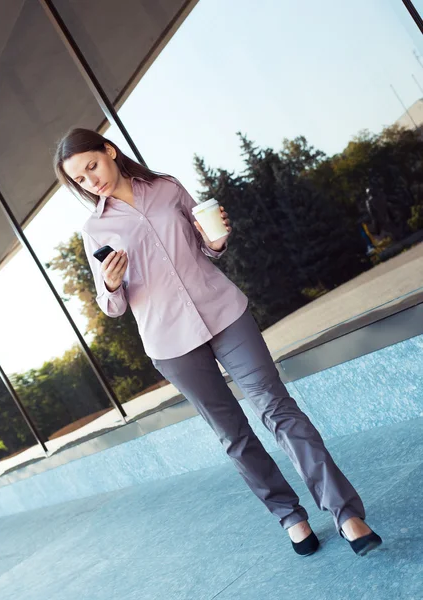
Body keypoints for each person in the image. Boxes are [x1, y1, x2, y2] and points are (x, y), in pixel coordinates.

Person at [54, 127, 382, 557]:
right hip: (170, 342)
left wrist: (216, 240)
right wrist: (111, 285)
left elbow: (207, 245)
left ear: (109, 151)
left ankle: (345, 513)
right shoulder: (95, 228)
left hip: (224, 312)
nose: (90, 180)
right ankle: (290, 516)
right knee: (234, 434)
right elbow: (112, 306)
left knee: (278, 408)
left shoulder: (166, 187)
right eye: (79, 179)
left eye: (91, 166)